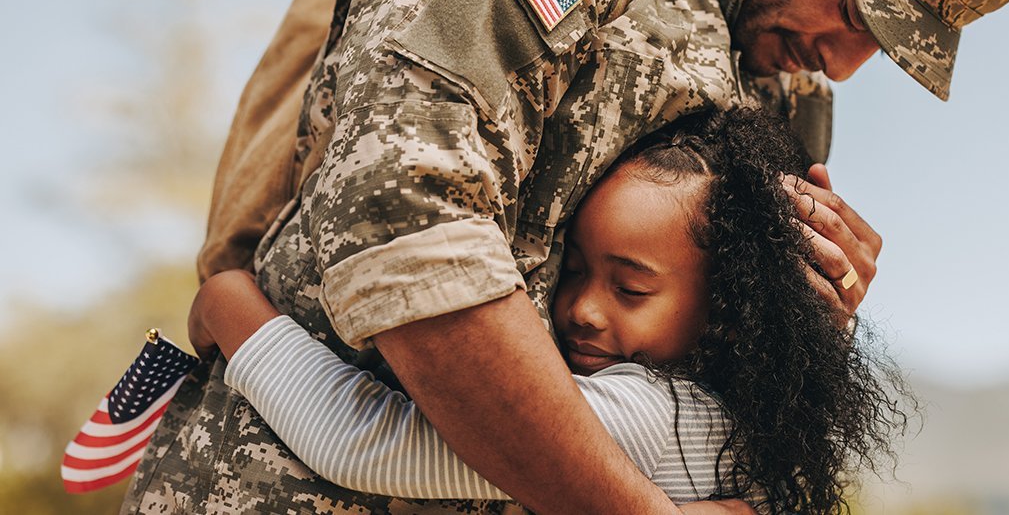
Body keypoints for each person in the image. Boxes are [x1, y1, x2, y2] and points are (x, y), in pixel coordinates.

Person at [123, 0, 1009, 513]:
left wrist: (812, 314)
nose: (842, 61)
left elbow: (718, 381)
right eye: (855, 5)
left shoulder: (787, 90)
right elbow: (411, 241)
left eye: (886, 43)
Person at [188, 108, 911, 513]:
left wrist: (228, 302)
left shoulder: (646, 415)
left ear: (727, 311)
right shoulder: (751, 419)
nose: (582, 310)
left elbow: (360, 440)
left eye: (630, 288)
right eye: (574, 271)